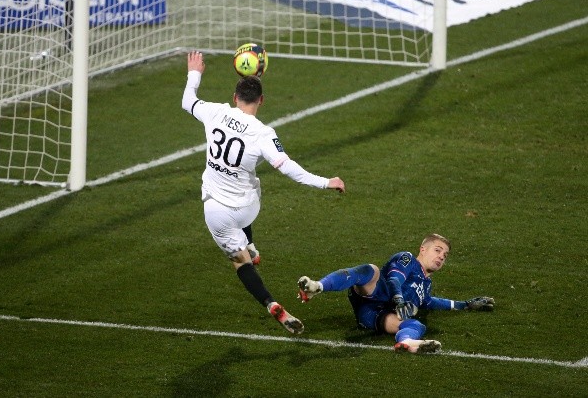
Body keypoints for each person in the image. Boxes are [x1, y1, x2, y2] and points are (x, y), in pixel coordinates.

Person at [181, 51, 345, 335]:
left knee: (240, 262)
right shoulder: (263, 133)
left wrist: (195, 72)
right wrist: (325, 181)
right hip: (246, 208)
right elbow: (288, 168)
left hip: (215, 212)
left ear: (235, 97)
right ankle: (251, 243)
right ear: (261, 101)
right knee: (252, 183)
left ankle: (270, 303)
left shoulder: (216, 111)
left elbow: (188, 101)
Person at [297, 233, 494, 352]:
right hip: (374, 293)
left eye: (445, 255)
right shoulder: (408, 259)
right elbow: (394, 279)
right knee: (370, 270)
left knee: (415, 323)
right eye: (438, 250)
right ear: (423, 249)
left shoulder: (425, 285)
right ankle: (318, 286)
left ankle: (407, 342)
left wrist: (465, 305)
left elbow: (429, 302)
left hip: (373, 316)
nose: (441, 256)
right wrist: (399, 299)